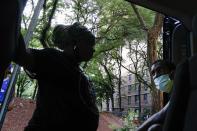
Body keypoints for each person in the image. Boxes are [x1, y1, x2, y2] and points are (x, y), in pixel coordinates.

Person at [14, 22, 99, 130]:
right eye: (89, 44)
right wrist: (12, 17)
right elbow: (22, 55)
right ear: (75, 43)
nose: (93, 49)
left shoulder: (80, 73)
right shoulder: (53, 58)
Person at [137, 60, 176, 131]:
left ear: (172, 73)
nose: (156, 75)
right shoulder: (172, 93)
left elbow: (163, 114)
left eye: (159, 70)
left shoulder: (182, 87)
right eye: (153, 73)